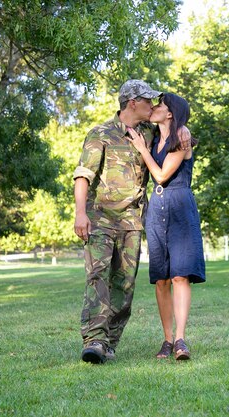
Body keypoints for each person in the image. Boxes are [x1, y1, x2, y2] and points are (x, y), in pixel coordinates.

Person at [73, 80, 190, 364]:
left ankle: (110, 342)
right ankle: (95, 340)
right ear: (133, 102)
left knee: (124, 285)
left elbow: (175, 133)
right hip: (100, 219)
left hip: (133, 222)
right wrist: (80, 213)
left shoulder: (148, 134)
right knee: (98, 277)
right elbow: (83, 174)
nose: (153, 106)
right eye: (148, 101)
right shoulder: (100, 133)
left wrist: (183, 127)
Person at [127, 93, 205, 361]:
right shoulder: (151, 135)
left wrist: (142, 150)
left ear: (170, 113)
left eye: (159, 105)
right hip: (157, 209)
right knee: (161, 278)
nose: (153, 108)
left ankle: (181, 339)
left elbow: (160, 176)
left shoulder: (181, 135)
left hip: (180, 206)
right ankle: (167, 340)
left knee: (180, 275)